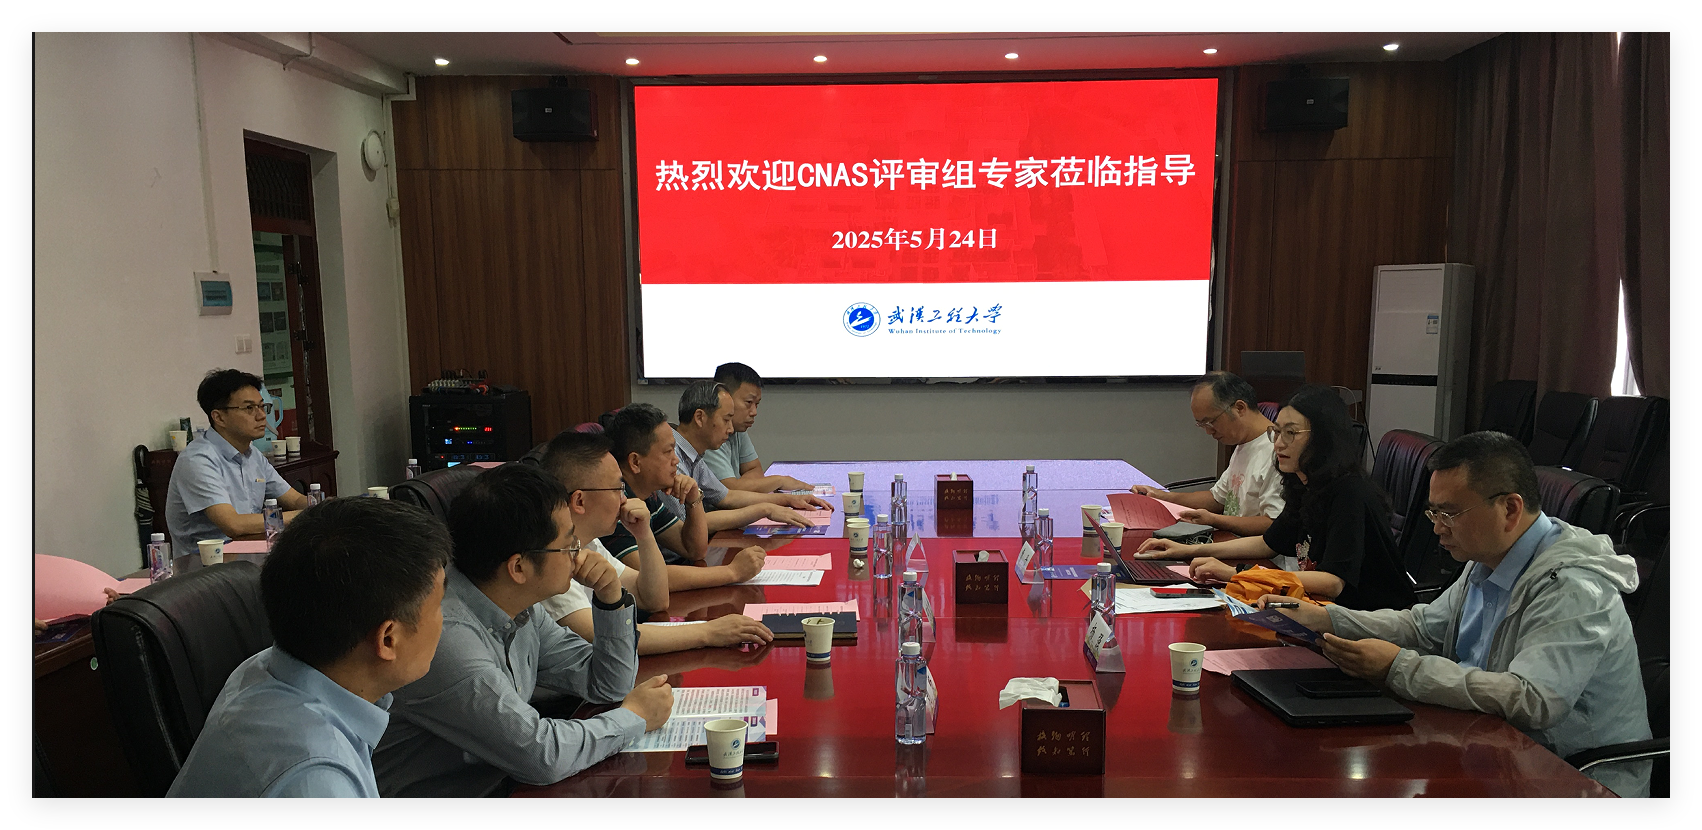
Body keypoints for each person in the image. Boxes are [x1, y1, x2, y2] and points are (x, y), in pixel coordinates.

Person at [1260, 432, 1651, 797]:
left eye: (1449, 514)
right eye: (1433, 513)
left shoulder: (1572, 585)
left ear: (1510, 509)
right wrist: (1324, 618)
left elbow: (1533, 699)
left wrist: (1398, 667)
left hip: (1575, 777)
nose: (1437, 529)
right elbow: (1423, 627)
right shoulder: (1489, 557)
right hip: (1491, 748)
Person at [373, 465, 674, 797]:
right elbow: (541, 755)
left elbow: (608, 684)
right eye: (568, 545)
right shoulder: (446, 638)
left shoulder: (521, 608)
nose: (579, 555)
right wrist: (635, 717)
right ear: (518, 567)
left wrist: (611, 598)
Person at [167, 498, 450, 797]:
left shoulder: (266, 667)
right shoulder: (315, 780)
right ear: (388, 639)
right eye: (438, 605)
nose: (445, 620)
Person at [1136, 385, 1416, 611]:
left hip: (1372, 624)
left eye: (1291, 433)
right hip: (1325, 613)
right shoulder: (1303, 483)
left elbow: (1332, 582)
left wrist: (1238, 575)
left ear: (1324, 438)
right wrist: (1187, 550)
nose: (1278, 443)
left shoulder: (1349, 493)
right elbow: (1269, 543)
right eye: (1277, 432)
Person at [538, 430, 774, 651]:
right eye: (617, 488)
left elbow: (654, 599)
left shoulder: (588, 543)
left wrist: (643, 534)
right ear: (579, 501)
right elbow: (605, 638)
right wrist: (708, 632)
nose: (623, 498)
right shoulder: (548, 558)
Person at [164, 369, 313, 554]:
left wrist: (324, 507)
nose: (261, 415)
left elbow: (295, 499)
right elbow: (233, 524)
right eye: (249, 408)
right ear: (219, 417)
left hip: (248, 554)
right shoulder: (198, 460)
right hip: (205, 565)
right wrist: (304, 515)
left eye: (262, 406)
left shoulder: (253, 455)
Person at [1130, 371, 1282, 537]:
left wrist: (1214, 520)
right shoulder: (1245, 444)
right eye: (1202, 424)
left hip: (1255, 551)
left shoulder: (1278, 451)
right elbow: (1216, 499)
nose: (1209, 432)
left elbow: (1274, 523)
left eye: (1210, 422)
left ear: (1239, 408)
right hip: (1230, 542)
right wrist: (1161, 496)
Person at [674, 381, 832, 535]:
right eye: (726, 420)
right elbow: (686, 526)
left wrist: (787, 499)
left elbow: (727, 496)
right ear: (700, 418)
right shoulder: (672, 458)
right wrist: (764, 509)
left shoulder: (694, 456)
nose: (730, 429)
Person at [705, 362, 813, 493]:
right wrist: (779, 481)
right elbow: (728, 491)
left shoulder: (738, 428)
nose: (754, 412)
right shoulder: (710, 432)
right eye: (749, 402)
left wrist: (740, 486)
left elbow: (755, 469)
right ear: (725, 397)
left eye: (756, 404)